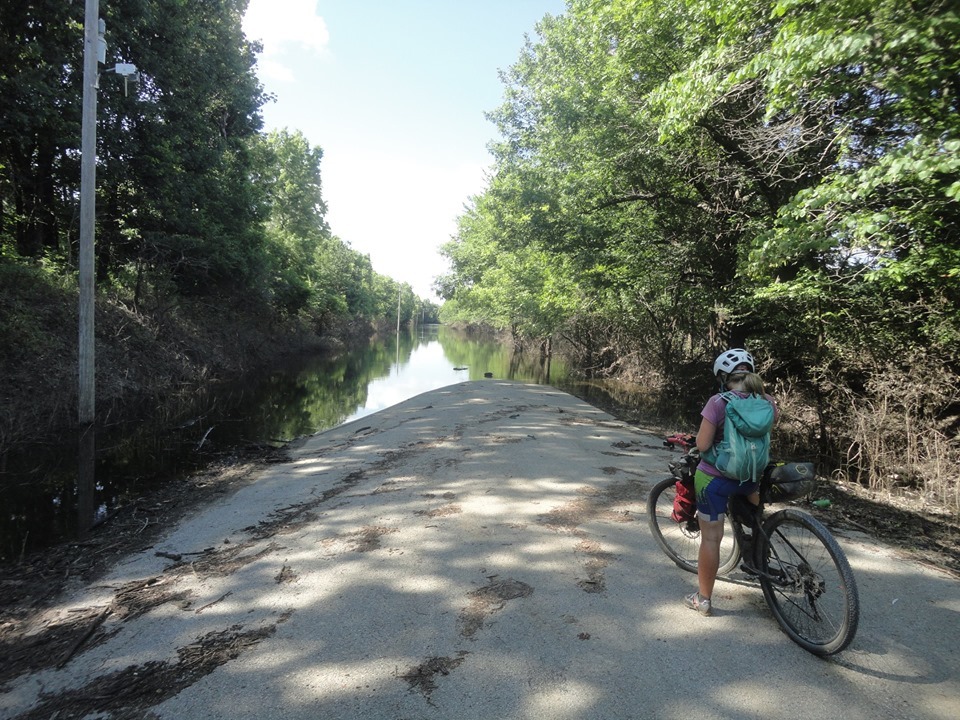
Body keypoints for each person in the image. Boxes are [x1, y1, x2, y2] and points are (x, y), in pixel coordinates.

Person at [684, 349, 778, 616]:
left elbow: (702, 445)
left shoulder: (718, 402)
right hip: (751, 478)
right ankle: (757, 555)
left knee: (711, 539)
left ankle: (702, 599)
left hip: (715, 480)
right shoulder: (767, 402)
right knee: (755, 520)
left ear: (723, 377)